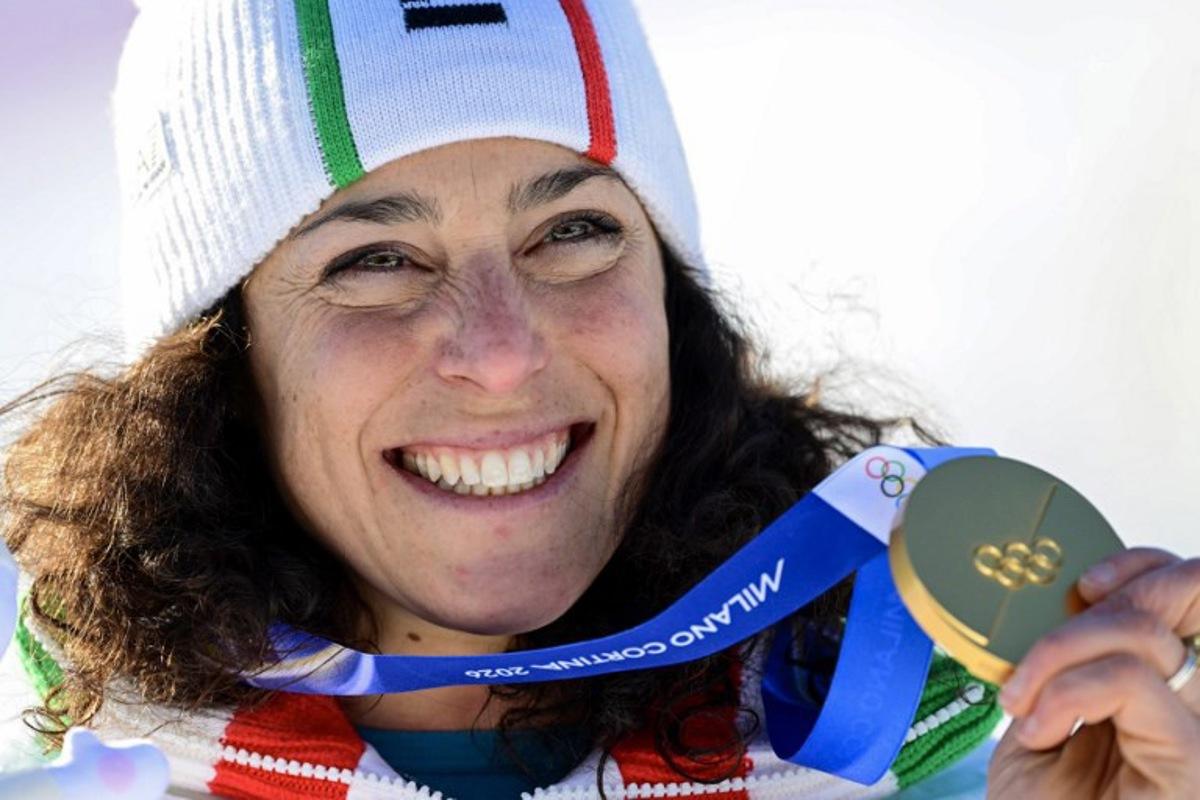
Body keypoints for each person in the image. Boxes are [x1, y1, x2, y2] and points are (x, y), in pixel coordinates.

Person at [1, 1, 1196, 798]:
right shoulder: (79, 767)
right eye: (375, 259)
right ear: (215, 364)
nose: (503, 350)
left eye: (572, 232)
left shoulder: (905, 748)